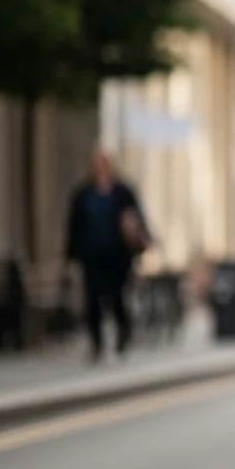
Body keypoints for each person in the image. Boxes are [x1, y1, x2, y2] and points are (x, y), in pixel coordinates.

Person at [64, 149, 150, 363]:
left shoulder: (122, 192)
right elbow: (74, 226)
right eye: (96, 163)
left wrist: (139, 249)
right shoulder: (83, 194)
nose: (100, 167)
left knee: (118, 297)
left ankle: (123, 335)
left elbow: (137, 220)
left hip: (118, 256)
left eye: (104, 163)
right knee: (92, 300)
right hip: (92, 256)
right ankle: (97, 343)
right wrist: (70, 256)